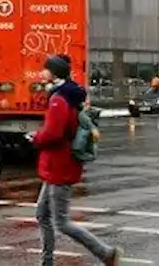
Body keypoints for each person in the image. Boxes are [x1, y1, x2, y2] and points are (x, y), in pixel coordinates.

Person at [31, 54, 121, 266]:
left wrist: (35, 138)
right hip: (57, 164)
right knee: (42, 214)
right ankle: (47, 261)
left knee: (61, 222)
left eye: (46, 69)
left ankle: (106, 253)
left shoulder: (58, 99)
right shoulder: (67, 95)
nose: (42, 73)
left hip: (59, 165)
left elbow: (54, 133)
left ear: (53, 73)